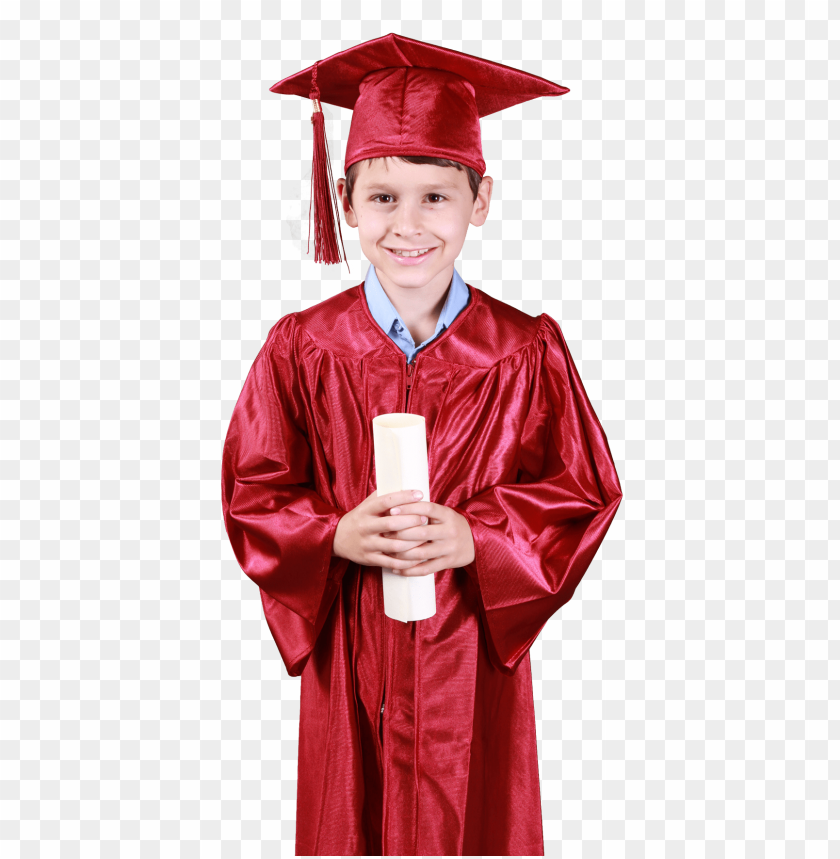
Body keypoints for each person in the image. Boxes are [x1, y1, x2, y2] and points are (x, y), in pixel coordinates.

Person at [221, 33, 623, 856]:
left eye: (436, 197)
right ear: (346, 200)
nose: (408, 224)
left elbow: (582, 490)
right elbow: (253, 489)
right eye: (383, 198)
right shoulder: (302, 346)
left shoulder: (525, 347)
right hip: (353, 653)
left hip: (468, 655)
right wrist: (331, 534)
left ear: (480, 202)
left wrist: (481, 535)